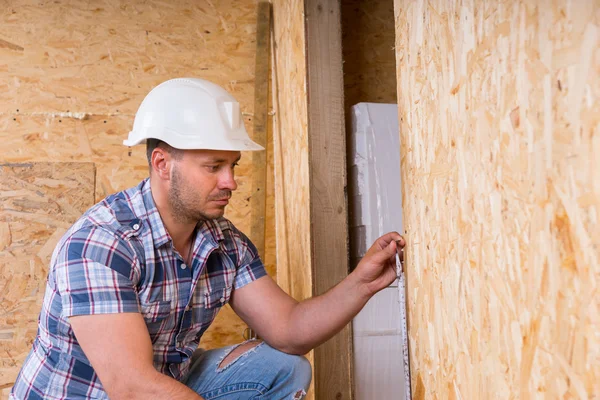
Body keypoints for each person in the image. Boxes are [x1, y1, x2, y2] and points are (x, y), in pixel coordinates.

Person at [10, 78, 405, 400]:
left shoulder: (224, 242)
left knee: (285, 369)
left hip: (160, 385)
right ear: (162, 164)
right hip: (94, 395)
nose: (230, 182)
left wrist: (362, 283)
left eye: (232, 165)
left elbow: (289, 331)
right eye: (213, 167)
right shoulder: (101, 244)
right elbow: (131, 388)